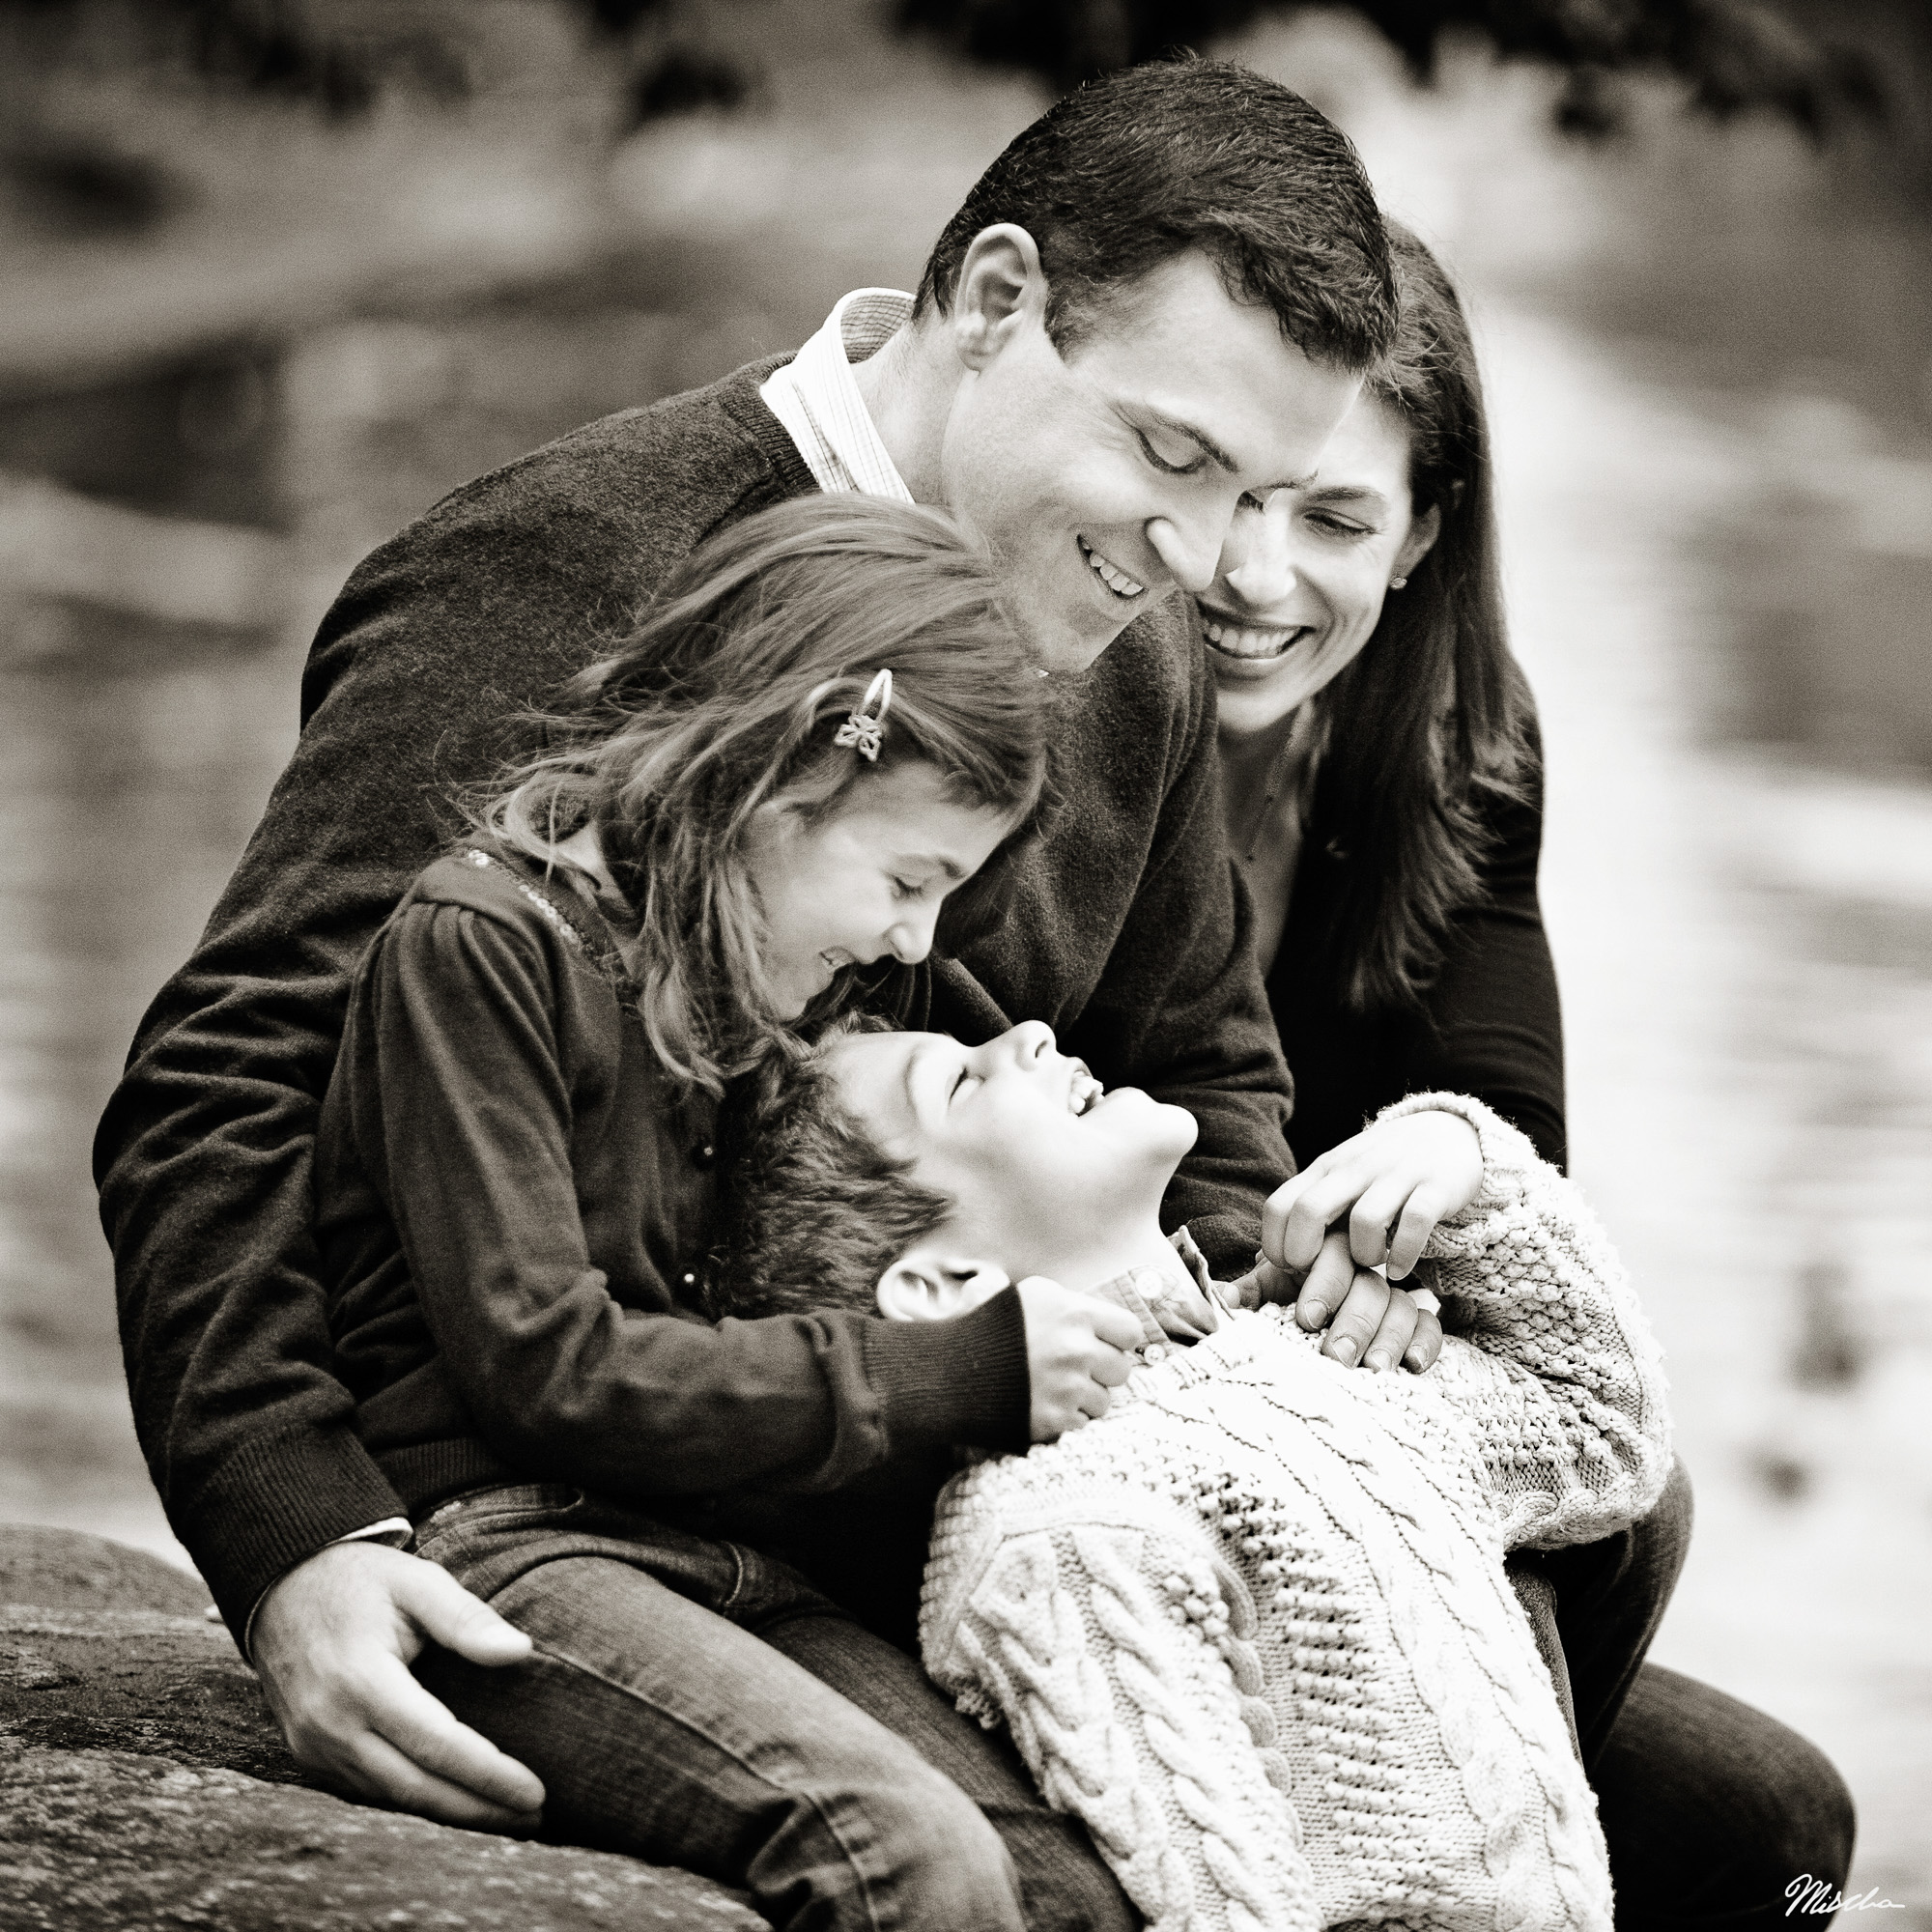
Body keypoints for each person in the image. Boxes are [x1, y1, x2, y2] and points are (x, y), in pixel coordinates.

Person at [97, 55, 1426, 1924]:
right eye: (1173, 457)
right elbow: (223, 1077)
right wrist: (293, 1528)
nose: (1209, 564)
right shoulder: (572, 564)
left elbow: (1203, 1068)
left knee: (1695, 1781)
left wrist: (1242, 1421)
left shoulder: (1132, 644)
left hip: (946, 1508)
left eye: (1268, 495)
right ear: (991, 307)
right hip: (596, 1507)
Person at [316, 493, 1152, 1925]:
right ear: (771, 782)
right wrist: (957, 1368)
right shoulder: (484, 951)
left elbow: (1023, 1153)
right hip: (520, 1547)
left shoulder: (766, 961)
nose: (916, 942)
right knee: (910, 1857)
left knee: (1067, 1875)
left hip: (734, 1554)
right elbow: (544, 1367)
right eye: (909, 878)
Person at [1194, 223, 1855, 1925]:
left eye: (1337, 517)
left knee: (1783, 1822)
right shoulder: (1049, 731)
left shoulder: (1452, 741)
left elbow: (1510, 1111)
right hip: (1187, 1403)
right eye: (1234, 491)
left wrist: (1442, 1167)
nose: (1256, 576)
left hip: (1369, 1383)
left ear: (1424, 535)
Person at [709, 1013, 1673, 1930]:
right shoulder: (1057, 1528)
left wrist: (1457, 1157)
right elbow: (1225, 1902)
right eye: (961, 1079)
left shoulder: (1318, 1344)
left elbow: (1603, 1434)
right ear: (943, 1285)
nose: (1026, 1033)